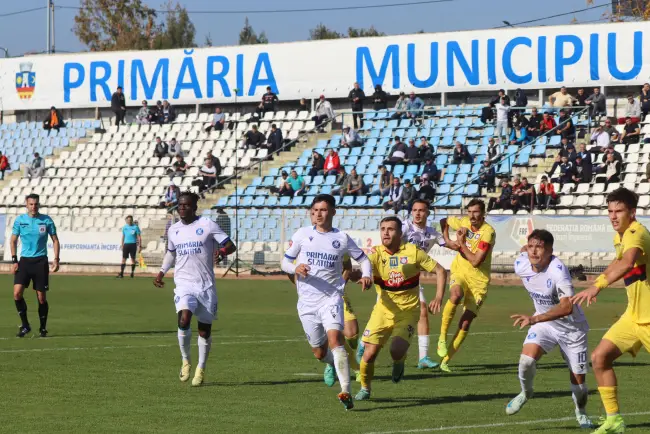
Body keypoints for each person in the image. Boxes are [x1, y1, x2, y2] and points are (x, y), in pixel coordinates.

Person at [281, 194, 372, 410]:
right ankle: (331, 363)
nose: (318, 214)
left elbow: (363, 259)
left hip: (331, 299)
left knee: (336, 340)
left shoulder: (341, 237)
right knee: (320, 353)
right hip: (307, 303)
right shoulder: (302, 234)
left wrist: (366, 275)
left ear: (332, 211)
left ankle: (346, 391)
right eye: (315, 210)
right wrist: (296, 268)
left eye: (323, 210)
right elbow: (285, 261)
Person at [570, 188, 650, 434]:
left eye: (619, 211)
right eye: (610, 211)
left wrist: (598, 287)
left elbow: (627, 263)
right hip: (633, 317)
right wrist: (596, 281)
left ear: (632, 212)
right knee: (600, 358)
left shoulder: (636, 232)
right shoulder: (621, 236)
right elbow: (618, 261)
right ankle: (614, 420)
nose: (613, 216)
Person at [352, 215, 447, 401]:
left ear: (400, 232)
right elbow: (363, 269)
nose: (385, 233)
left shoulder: (413, 252)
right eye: (383, 229)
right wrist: (361, 276)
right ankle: (365, 388)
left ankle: (399, 361)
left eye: (390, 229)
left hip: (407, 312)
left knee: (396, 349)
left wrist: (438, 297)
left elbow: (441, 270)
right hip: (383, 311)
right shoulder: (375, 254)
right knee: (369, 354)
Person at [505, 230, 593, 429]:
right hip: (545, 325)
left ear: (550, 250)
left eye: (539, 247)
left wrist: (534, 318)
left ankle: (581, 412)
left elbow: (567, 307)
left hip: (573, 330)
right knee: (526, 361)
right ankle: (526, 393)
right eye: (531, 246)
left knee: (579, 386)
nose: (534, 251)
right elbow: (523, 251)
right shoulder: (521, 264)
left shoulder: (557, 270)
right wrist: (538, 320)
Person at [154, 192, 236, 387]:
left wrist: (222, 251)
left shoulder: (207, 225)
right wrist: (161, 272)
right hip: (183, 283)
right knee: (184, 318)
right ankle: (185, 360)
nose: (182, 209)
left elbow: (230, 245)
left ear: (194, 207)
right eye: (180, 206)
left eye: (186, 205)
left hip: (205, 285)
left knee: (204, 331)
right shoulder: (174, 230)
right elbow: (170, 253)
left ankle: (201, 367)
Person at [437, 199, 495, 372]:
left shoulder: (488, 232)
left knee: (465, 323)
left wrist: (460, 244)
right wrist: (447, 239)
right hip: (460, 272)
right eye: (469, 212)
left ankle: (445, 361)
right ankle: (441, 338)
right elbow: (444, 220)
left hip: (479, 282)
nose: (472, 216)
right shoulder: (463, 222)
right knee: (455, 295)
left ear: (483, 214)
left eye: (476, 212)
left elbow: (476, 261)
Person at [404, 201, 449, 369]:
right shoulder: (404, 228)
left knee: (423, 312)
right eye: (414, 210)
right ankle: (365, 344)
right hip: (393, 279)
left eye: (421, 210)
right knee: (386, 320)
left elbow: (450, 245)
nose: (417, 213)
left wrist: (446, 229)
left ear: (428, 213)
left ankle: (423, 358)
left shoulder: (432, 234)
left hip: (413, 280)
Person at [10, 193, 60, 338]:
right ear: (26, 204)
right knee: (17, 293)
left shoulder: (46, 220)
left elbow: (55, 240)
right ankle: (25, 325)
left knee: (41, 298)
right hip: (24, 262)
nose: (34, 207)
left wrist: (56, 259)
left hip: (40, 262)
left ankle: (43, 328)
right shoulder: (20, 220)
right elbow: (13, 241)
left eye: (36, 204)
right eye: (31, 204)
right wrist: (14, 260)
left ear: (39, 204)